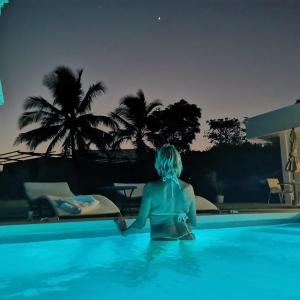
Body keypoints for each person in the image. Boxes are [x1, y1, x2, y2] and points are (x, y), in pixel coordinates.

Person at [115, 144, 197, 240]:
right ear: (178, 163)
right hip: (187, 237)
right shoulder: (188, 188)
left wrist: (124, 231)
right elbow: (193, 222)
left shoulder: (150, 188)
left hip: (163, 241)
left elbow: (140, 223)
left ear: (159, 163)